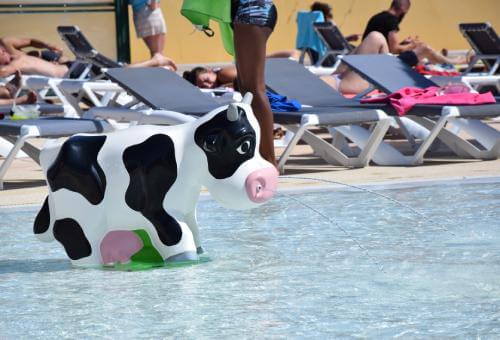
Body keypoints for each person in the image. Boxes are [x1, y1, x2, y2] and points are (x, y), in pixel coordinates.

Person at [232, 0, 279, 165]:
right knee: (246, 89)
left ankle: (269, 162)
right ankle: (260, 155)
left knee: (254, 89)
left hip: (252, 10)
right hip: (247, 11)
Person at [0, 36, 177, 79]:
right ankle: (156, 62)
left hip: (72, 68)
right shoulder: (18, 62)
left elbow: (30, 40)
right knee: (115, 71)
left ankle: (156, 65)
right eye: (1, 54)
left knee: (114, 69)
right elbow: (5, 71)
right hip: (74, 75)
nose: (5, 53)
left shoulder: (14, 53)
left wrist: (48, 47)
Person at [362, 0, 466, 66]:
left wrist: (404, 44)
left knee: (423, 50)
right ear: (403, 9)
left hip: (371, 61)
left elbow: (386, 46)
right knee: (424, 48)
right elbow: (394, 49)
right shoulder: (391, 20)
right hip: (382, 65)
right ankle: (452, 62)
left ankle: (444, 60)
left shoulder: (378, 17)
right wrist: (413, 45)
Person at [182, 50, 299, 89]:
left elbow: (246, 80)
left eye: (206, 80)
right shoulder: (222, 79)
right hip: (282, 69)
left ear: (209, 71)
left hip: (282, 70)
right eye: (203, 86)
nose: (208, 85)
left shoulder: (223, 74)